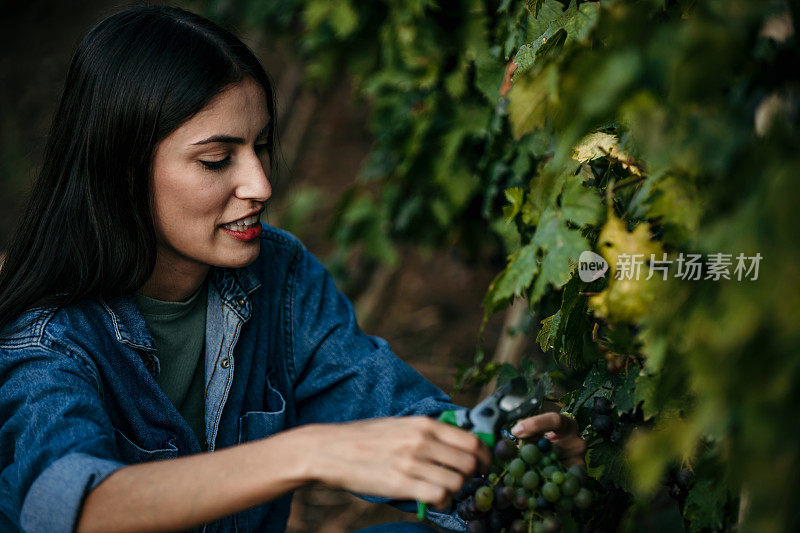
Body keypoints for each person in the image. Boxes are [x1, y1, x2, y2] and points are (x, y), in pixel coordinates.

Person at [0, 5, 586, 533]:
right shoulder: (48, 335)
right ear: (122, 172)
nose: (260, 184)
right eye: (216, 160)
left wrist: (511, 454)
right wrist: (304, 453)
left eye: (261, 147)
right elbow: (69, 509)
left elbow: (388, 412)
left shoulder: (276, 277)